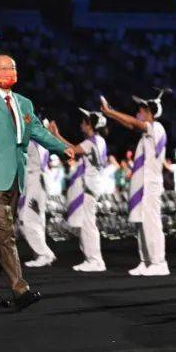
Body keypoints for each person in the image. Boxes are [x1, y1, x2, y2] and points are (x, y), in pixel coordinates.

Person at [0, 54, 72, 309]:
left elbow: (36, 130)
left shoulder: (24, 103)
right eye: (3, 68)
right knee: (5, 233)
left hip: (16, 175)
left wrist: (61, 148)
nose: (9, 71)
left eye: (12, 67)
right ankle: (19, 288)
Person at [101, 91, 170, 277]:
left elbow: (133, 123)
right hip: (142, 185)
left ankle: (159, 262)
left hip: (151, 184)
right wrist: (111, 113)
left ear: (150, 113)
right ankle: (145, 260)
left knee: (151, 223)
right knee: (141, 223)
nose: (138, 112)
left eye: (141, 110)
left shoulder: (157, 128)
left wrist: (110, 112)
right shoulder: (146, 133)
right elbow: (130, 124)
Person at [63, 109, 107, 273]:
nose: (81, 124)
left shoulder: (91, 142)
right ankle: (90, 259)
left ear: (89, 125)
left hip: (88, 186)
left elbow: (71, 149)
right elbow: (75, 148)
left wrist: (55, 135)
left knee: (88, 224)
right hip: (92, 185)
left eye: (83, 122)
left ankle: (95, 260)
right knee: (86, 223)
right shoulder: (99, 140)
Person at [20, 131, 56, 268]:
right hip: (36, 181)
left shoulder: (32, 141)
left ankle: (45, 254)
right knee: (36, 220)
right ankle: (40, 254)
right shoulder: (42, 141)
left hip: (35, 181)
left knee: (28, 219)